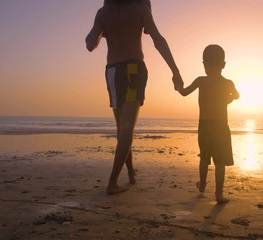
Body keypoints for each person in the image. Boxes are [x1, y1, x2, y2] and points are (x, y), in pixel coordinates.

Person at [85, 0, 183, 195]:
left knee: (122, 128)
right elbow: (158, 39)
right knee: (127, 127)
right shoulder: (140, 8)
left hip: (113, 71)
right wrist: (175, 71)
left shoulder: (103, 12)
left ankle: (130, 172)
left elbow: (89, 44)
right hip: (133, 70)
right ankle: (112, 182)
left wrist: (102, 28)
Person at [179, 44, 239, 203]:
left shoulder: (201, 81)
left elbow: (184, 92)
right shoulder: (228, 83)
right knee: (220, 162)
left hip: (204, 126)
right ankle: (219, 194)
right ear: (224, 64)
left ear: (204, 64)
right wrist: (229, 99)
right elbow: (237, 95)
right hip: (221, 126)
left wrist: (177, 85)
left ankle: (203, 184)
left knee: (204, 158)